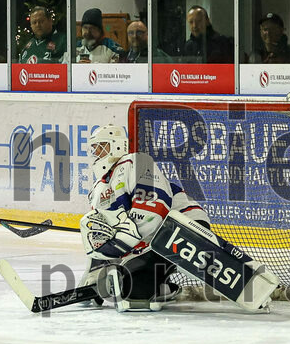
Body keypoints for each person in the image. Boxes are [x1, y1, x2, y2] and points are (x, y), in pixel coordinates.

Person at [77, 125, 213, 312]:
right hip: (152, 244)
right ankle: (166, 288)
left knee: (131, 286)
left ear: (117, 145)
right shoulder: (97, 190)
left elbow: (152, 211)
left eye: (101, 146)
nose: (97, 153)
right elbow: (102, 232)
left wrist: (123, 245)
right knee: (130, 289)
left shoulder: (135, 162)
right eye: (94, 149)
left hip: (183, 226)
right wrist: (94, 272)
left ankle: (167, 281)